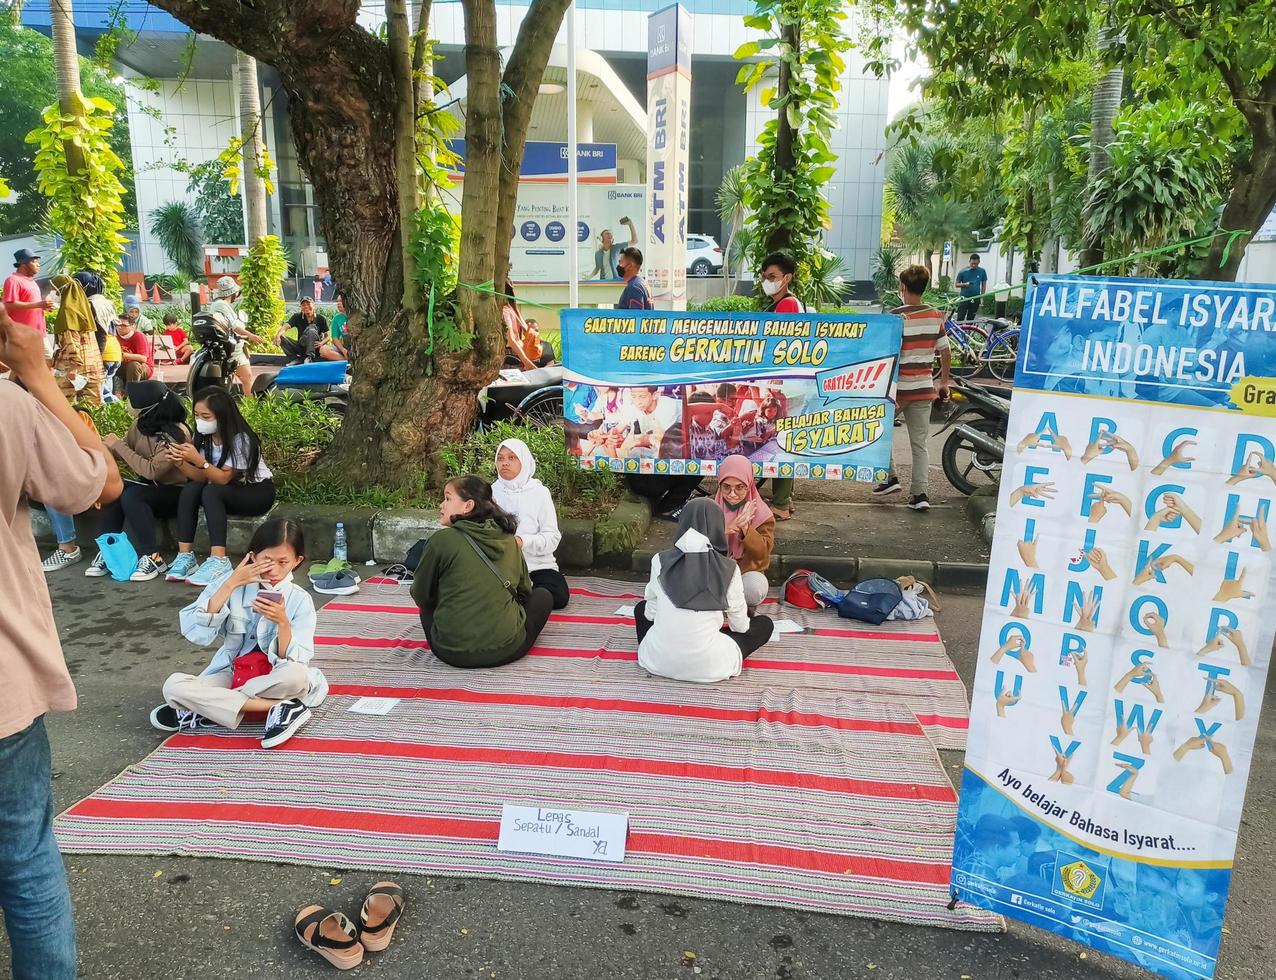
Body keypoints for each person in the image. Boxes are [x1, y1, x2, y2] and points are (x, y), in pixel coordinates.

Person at [0, 307, 122, 980]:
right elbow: (101, 482)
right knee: (22, 855)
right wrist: (38, 376)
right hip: (4, 686)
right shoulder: (6, 405)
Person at [151, 519, 326, 750]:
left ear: (297, 561)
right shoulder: (231, 585)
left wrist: (282, 623)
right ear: (253, 557)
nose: (274, 569)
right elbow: (197, 632)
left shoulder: (300, 599)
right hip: (234, 672)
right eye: (267, 560)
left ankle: (205, 707)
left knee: (297, 676)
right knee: (172, 687)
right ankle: (281, 707)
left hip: (273, 677)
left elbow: (295, 661)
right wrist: (230, 583)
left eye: (283, 562)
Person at [409, 475, 553, 669]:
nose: (441, 505)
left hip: (451, 652)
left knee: (427, 605)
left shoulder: (441, 541)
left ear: (468, 506)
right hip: (508, 649)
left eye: (448, 498)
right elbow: (525, 592)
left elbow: (421, 596)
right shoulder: (510, 540)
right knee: (543, 596)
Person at [634, 499, 774, 683]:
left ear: (682, 523)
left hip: (656, 661)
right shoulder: (729, 567)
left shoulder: (659, 560)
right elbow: (739, 626)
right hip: (710, 666)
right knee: (764, 624)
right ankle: (706, 639)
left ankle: (682, 642)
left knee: (640, 608)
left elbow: (650, 613)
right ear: (718, 527)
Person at [80, 381, 193, 581]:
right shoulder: (141, 424)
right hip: (148, 489)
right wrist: (101, 448)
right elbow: (122, 448)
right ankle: (109, 551)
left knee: (133, 495)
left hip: (175, 493)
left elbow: (151, 471)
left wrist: (119, 445)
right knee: (113, 491)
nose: (129, 407)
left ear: (149, 407)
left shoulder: (176, 434)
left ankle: (152, 556)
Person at [164, 387, 277, 587]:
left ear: (222, 416)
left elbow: (223, 478)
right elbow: (202, 475)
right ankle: (185, 557)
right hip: (227, 490)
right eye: (197, 415)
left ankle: (219, 560)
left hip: (256, 492)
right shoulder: (205, 438)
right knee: (191, 489)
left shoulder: (241, 439)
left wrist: (198, 460)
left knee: (211, 490)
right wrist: (180, 462)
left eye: (206, 416)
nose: (200, 421)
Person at [874, 264, 951, 511]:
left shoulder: (897, 317)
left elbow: (887, 354)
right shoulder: (934, 316)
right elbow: (945, 351)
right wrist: (944, 382)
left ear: (903, 287)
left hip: (897, 391)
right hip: (924, 389)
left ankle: (890, 476)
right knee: (920, 445)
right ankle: (920, 494)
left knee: (876, 431)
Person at [492, 438, 569, 610]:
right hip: (501, 566)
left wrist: (522, 542)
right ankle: (519, 596)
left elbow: (552, 537)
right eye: (500, 458)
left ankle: (516, 596)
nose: (504, 463)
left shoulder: (539, 493)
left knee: (558, 595)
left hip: (536, 566)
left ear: (524, 461)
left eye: (512, 458)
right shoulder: (490, 493)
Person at [759, 252, 805, 519]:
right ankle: (786, 500)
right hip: (788, 384)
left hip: (783, 385)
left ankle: (780, 503)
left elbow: (780, 346)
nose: (768, 281)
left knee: (780, 442)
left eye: (773, 277)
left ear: (786, 278)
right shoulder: (791, 303)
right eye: (765, 277)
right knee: (784, 439)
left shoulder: (787, 305)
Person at [714, 454, 775, 612]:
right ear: (719, 485)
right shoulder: (709, 508)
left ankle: (724, 603)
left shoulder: (762, 514)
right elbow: (692, 545)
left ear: (749, 485)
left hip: (745, 573)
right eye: (726, 487)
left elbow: (762, 554)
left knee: (753, 590)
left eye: (739, 487)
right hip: (715, 572)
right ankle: (728, 603)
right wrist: (723, 529)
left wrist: (746, 529)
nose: (732, 494)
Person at [48, 273, 105, 408]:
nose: (54, 293)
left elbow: (71, 342)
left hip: (73, 370)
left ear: (62, 290)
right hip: (92, 366)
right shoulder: (83, 309)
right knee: (90, 408)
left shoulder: (68, 312)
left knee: (66, 408)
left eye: (56, 290)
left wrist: (74, 367)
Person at [208, 275, 265, 396]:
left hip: (223, 346)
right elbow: (235, 327)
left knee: (245, 377)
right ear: (233, 292)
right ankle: (251, 407)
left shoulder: (216, 304)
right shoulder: (222, 304)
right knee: (247, 377)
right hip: (232, 349)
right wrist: (251, 336)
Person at [3, 248, 55, 357]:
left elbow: (31, 305)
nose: (38, 265)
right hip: (24, 333)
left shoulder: (32, 282)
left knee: (26, 368)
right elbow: (8, 304)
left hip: (38, 331)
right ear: (22, 264)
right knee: (48, 360)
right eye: (33, 261)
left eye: (37, 261)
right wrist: (38, 304)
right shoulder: (12, 280)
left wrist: (44, 307)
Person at [501, 281, 546, 370]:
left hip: (512, 357)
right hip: (521, 353)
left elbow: (511, 340)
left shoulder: (505, 311)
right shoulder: (513, 309)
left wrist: (527, 362)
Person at [275, 296, 329, 364]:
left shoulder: (321, 318)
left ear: (313, 305)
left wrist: (322, 343)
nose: (306, 306)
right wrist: (278, 335)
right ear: (301, 307)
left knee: (311, 329)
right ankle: (296, 359)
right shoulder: (297, 316)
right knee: (281, 337)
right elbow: (285, 327)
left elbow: (328, 336)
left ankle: (310, 357)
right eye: (303, 305)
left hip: (315, 348)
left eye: (308, 304)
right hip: (301, 345)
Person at [115, 310, 154, 384]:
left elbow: (143, 358)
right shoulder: (114, 334)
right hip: (122, 365)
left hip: (143, 367)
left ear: (132, 326)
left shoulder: (138, 336)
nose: (120, 327)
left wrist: (122, 355)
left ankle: (131, 392)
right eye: (118, 324)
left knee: (133, 365)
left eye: (124, 325)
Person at [954, 253, 987, 323]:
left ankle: (968, 332)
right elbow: (956, 284)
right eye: (972, 263)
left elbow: (983, 285)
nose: (974, 265)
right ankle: (959, 332)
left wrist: (982, 297)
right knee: (960, 318)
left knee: (971, 319)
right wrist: (964, 284)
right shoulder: (963, 271)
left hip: (975, 299)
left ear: (979, 262)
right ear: (969, 262)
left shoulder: (982, 271)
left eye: (976, 264)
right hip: (964, 298)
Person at [318, 290, 348, 361]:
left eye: (340, 301)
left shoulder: (355, 316)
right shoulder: (336, 318)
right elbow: (335, 339)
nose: (338, 303)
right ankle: (346, 362)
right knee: (323, 350)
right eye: (337, 301)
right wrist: (343, 349)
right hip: (344, 347)